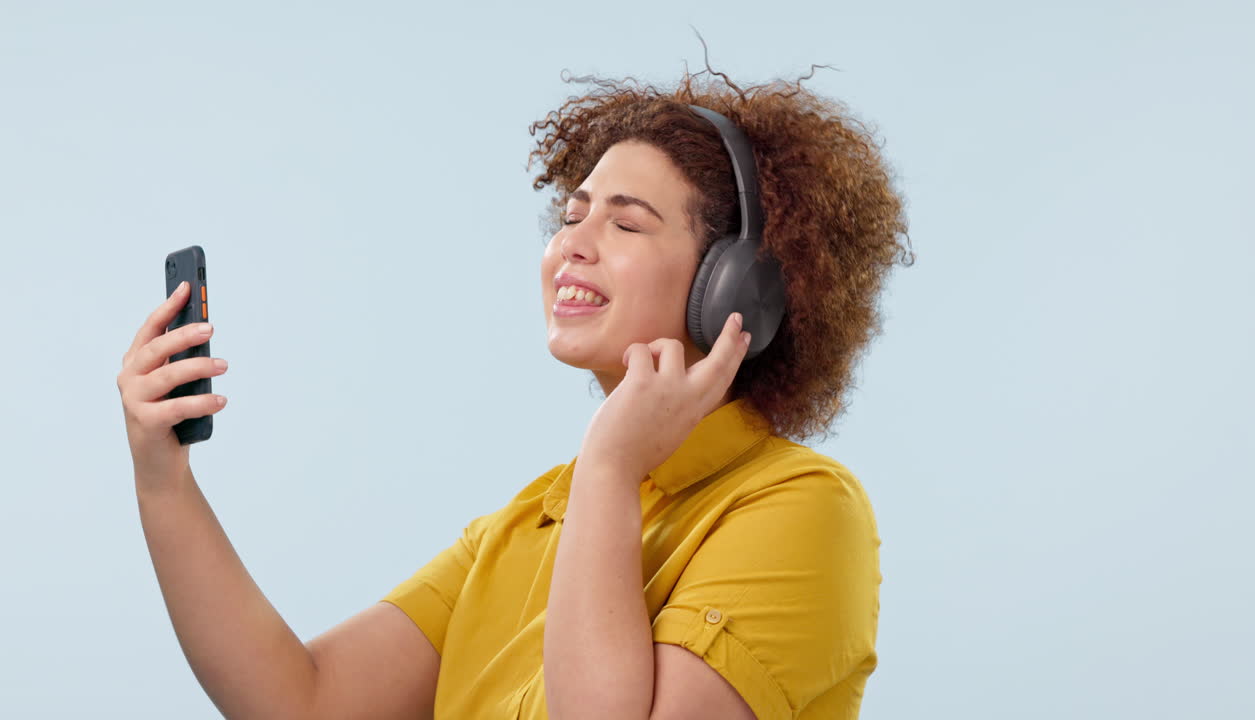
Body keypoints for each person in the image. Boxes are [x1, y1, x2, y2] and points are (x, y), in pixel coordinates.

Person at [118, 60, 913, 720]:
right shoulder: (532, 523)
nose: (572, 245)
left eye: (625, 224)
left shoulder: (803, 508)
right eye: (571, 216)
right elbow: (301, 702)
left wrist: (608, 470)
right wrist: (162, 480)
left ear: (734, 286)